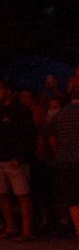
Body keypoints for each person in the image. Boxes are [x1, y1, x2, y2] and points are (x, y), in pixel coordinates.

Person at [0, 79, 38, 241]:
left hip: (14, 159)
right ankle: (10, 226)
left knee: (22, 194)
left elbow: (28, 135)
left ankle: (27, 230)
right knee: (0, 193)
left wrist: (19, 156)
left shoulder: (21, 110)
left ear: (8, 91)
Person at [46, 74, 79, 239]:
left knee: (72, 197)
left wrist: (58, 153)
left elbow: (52, 139)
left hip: (66, 160)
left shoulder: (60, 115)